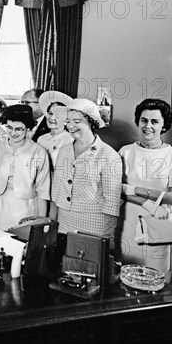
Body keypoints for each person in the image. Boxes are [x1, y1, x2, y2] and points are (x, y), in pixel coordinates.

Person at [117, 99, 172, 276]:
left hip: (160, 224)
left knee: (155, 277)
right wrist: (147, 202)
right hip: (126, 224)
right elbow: (116, 189)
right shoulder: (125, 152)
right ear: (138, 122)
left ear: (164, 125)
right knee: (126, 275)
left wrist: (136, 190)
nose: (148, 126)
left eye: (154, 121)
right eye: (144, 120)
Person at [51, 98, 122, 244]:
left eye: (77, 121)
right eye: (68, 121)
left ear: (91, 122)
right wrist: (52, 225)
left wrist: (108, 239)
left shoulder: (108, 155)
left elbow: (112, 202)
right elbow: (56, 190)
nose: (71, 126)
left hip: (94, 227)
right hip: (64, 224)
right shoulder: (64, 150)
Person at [0, 104, 50, 231]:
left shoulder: (39, 152)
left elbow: (43, 192)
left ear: (27, 128)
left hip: (26, 212)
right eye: (9, 127)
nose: (13, 133)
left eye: (18, 129)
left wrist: (41, 224)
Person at [36, 91, 73, 166]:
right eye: (50, 113)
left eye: (57, 115)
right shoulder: (41, 139)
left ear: (66, 120)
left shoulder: (71, 140)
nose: (52, 118)